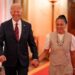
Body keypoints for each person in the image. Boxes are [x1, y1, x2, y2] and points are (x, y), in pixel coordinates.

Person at [0, 3, 39, 75]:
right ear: (10, 12)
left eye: (18, 11)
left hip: (23, 61)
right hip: (9, 61)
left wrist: (35, 57)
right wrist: (1, 54)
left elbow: (32, 43)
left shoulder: (27, 26)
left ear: (21, 12)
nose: (16, 13)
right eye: (14, 11)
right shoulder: (4, 25)